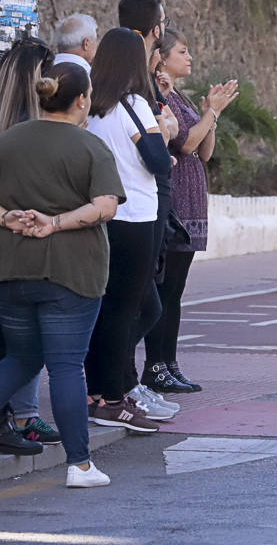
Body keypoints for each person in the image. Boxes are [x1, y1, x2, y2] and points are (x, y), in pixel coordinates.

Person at [0, 63, 124, 486]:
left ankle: (81, 463)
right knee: (68, 366)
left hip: (13, 268)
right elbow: (106, 205)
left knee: (21, 358)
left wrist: (9, 217)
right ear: (82, 99)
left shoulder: (8, 141)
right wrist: (56, 223)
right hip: (73, 271)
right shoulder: (89, 146)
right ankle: (80, 465)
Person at [84, 28, 173, 432]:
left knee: (108, 307)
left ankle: (102, 388)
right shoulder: (134, 104)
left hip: (102, 215)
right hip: (136, 216)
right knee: (128, 309)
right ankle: (112, 396)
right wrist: (165, 131)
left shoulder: (90, 106)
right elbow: (158, 160)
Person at [142, 29, 238, 393]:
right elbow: (186, 143)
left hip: (192, 203)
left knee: (176, 291)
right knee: (165, 290)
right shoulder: (159, 96)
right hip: (176, 204)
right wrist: (211, 111)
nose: (190, 57)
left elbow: (206, 150)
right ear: (162, 57)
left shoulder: (178, 96)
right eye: (182, 51)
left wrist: (209, 113)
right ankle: (155, 366)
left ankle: (170, 362)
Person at [0, 37, 60, 447]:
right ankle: (15, 420)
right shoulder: (33, 129)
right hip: (24, 247)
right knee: (26, 345)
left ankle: (19, 417)